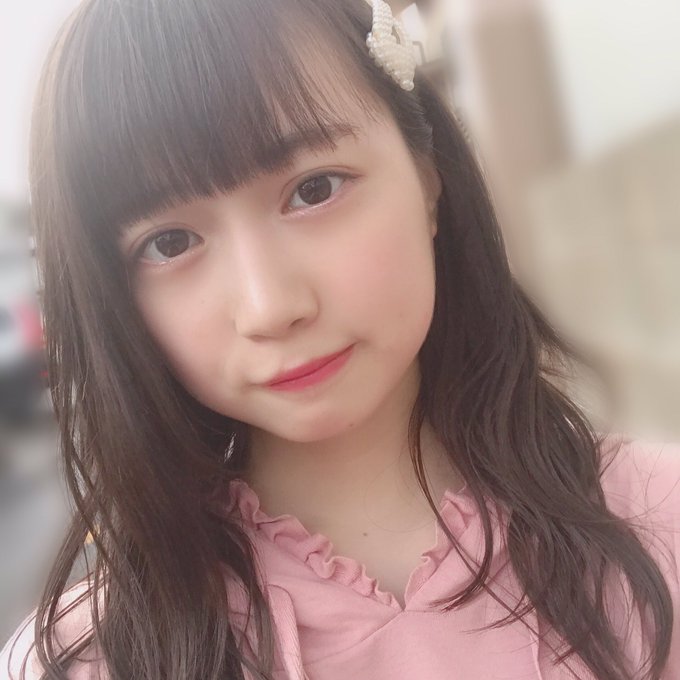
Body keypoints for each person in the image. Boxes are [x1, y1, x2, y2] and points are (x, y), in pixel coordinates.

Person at [2, 0, 679, 678]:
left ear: (428, 177)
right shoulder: (90, 658)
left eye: (315, 189)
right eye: (170, 243)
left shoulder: (660, 521)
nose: (270, 307)